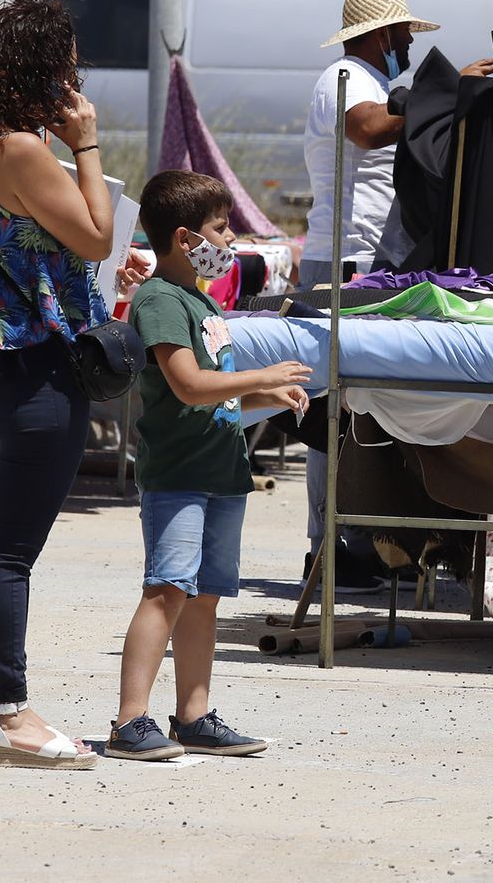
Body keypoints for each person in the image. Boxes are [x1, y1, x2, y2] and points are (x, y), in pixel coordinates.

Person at [0, 0, 112, 770]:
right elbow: (98, 232)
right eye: (67, 62)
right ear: (40, 69)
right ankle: (6, 714)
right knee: (11, 553)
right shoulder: (23, 151)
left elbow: (38, 251)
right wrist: (85, 144)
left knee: (7, 546)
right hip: (38, 370)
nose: (76, 76)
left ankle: (5, 710)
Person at [106, 171, 310, 761]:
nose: (230, 239)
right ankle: (129, 722)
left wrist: (266, 399)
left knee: (204, 597)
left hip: (221, 473)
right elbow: (190, 385)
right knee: (167, 590)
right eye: (221, 227)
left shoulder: (195, 298)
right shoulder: (160, 301)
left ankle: (193, 714)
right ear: (184, 236)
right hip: (179, 475)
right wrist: (264, 375)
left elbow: (216, 396)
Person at [298, 0, 493, 589]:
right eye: (406, 36)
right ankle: (333, 546)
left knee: (363, 408)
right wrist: (444, 92)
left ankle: (365, 542)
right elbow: (368, 130)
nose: (410, 45)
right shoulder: (349, 77)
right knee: (338, 411)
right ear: (383, 35)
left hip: (362, 257)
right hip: (348, 261)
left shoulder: (367, 78)